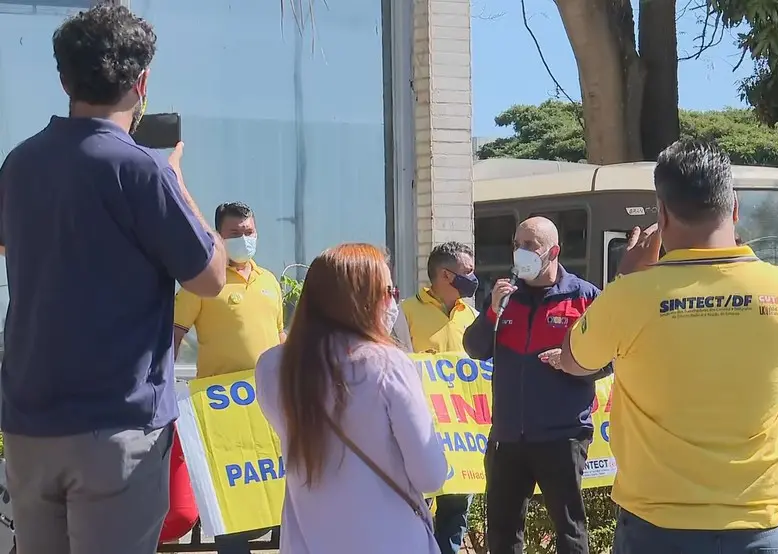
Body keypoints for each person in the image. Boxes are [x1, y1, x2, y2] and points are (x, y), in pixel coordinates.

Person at [0, 5, 227, 554]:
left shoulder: (20, 163)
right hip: (116, 427)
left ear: (63, 78)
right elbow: (211, 277)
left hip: (29, 423)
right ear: (141, 81)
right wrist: (178, 184)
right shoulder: (142, 169)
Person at [557, 139, 778, 553]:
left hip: (655, 528)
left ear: (661, 214)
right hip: (754, 526)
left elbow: (575, 360)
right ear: (734, 206)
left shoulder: (629, 296)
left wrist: (626, 279)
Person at [254, 243, 448, 554]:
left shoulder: (271, 366)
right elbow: (430, 476)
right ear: (362, 299)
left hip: (305, 541)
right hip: (391, 540)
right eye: (387, 291)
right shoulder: (388, 364)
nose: (392, 301)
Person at [463, 216, 609, 554]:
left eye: (531, 246)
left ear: (553, 251)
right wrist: (492, 314)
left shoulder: (584, 297)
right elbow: (475, 348)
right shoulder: (505, 296)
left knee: (570, 530)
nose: (521, 253)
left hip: (562, 435)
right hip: (508, 437)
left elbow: (613, 356)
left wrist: (573, 362)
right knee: (502, 531)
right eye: (517, 245)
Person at [173, 201, 284, 552]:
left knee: (278, 493)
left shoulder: (269, 281)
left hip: (268, 405)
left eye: (248, 232)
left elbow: (278, 336)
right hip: (221, 411)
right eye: (234, 234)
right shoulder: (201, 281)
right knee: (231, 504)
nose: (243, 239)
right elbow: (173, 334)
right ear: (218, 237)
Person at [401, 242, 480, 554]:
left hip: (462, 435)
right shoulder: (404, 314)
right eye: (468, 272)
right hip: (419, 432)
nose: (475, 278)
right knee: (413, 510)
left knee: (455, 513)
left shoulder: (472, 316)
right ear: (446, 275)